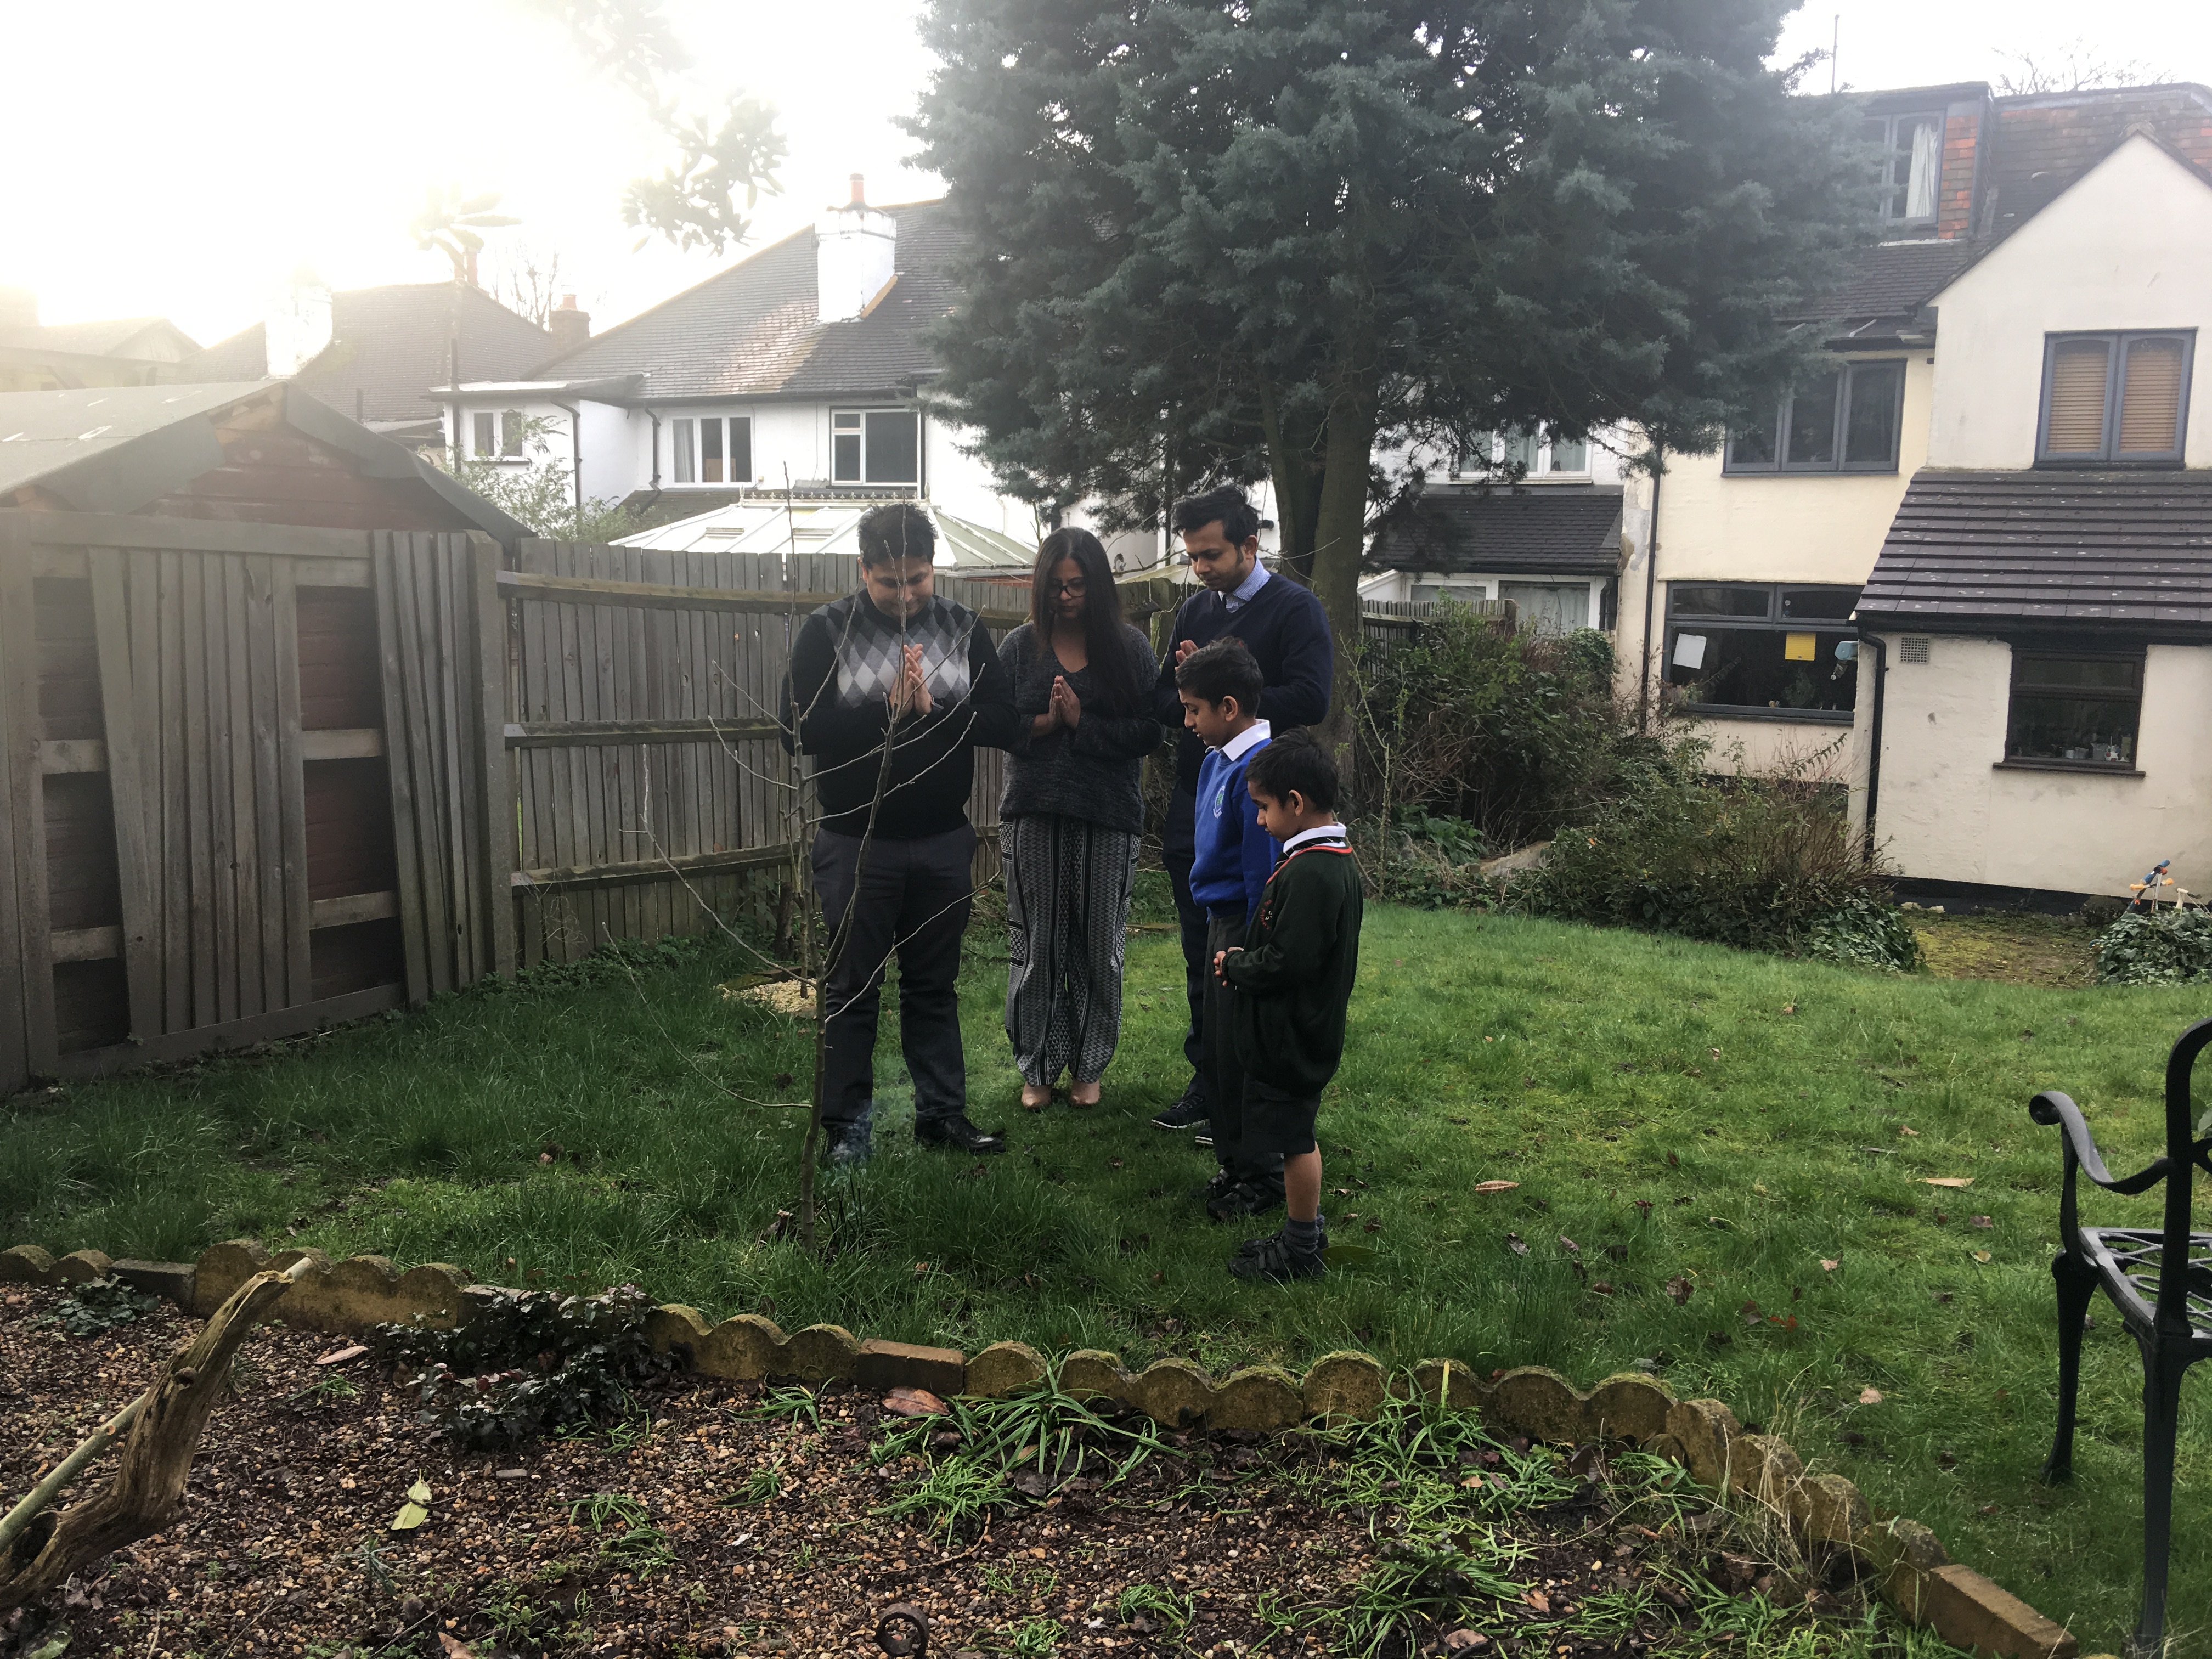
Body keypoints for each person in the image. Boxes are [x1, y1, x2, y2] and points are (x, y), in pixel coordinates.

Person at [780, 503, 1020, 1164]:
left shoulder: (963, 627)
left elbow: (1003, 721)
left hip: (944, 839)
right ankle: (847, 1130)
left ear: (932, 568)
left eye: (918, 578)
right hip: (858, 842)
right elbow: (797, 729)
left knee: (933, 986)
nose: (908, 594)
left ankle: (941, 1117)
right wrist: (883, 715)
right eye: (891, 581)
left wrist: (933, 710)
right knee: (853, 989)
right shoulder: (827, 630)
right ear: (864, 570)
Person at [1148, 485, 1333, 1141]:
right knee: (1203, 949)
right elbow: (1165, 704)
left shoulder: (1295, 608)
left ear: (1250, 546)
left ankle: (1255, 1087)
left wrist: (1235, 698)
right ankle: (1211, 1079)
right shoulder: (1195, 608)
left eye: (1213, 554)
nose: (1201, 568)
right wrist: (1189, 691)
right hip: (1197, 802)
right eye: (1193, 556)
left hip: (1265, 812)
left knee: (1254, 944)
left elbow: (1312, 698)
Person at [998, 528, 1162, 1109]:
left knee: (1099, 946)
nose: (1066, 597)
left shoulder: (1130, 648)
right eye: (1057, 586)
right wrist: (1046, 723)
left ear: (1098, 585)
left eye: (1078, 585)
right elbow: (992, 725)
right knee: (1039, 944)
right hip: (1034, 813)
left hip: (1108, 815)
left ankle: (1089, 1066)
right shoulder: (1020, 648)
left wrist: (1081, 724)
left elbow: (1149, 732)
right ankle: (1037, 1066)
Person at [1214, 732, 1363, 1283]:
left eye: (1263, 808)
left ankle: (1302, 1249)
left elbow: (1289, 962)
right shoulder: (1321, 859)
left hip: (1294, 1034)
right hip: (1296, 1030)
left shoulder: (1316, 871)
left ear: (1295, 804)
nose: (1259, 821)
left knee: (1295, 1141)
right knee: (1292, 1133)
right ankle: (1303, 1230)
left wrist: (1236, 965)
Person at [1176, 639, 1282, 1220]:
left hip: (1243, 924)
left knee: (1243, 1052)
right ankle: (1233, 1165)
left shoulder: (1256, 772)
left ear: (1230, 706)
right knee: (1217, 1049)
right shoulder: (1217, 760)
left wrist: (1247, 944)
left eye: (1195, 710)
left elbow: (1259, 871)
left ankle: (1263, 1178)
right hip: (1215, 919)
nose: (1188, 721)